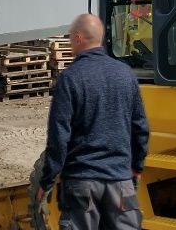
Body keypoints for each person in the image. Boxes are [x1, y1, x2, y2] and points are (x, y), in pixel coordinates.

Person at [38, 13, 149, 230]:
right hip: (120, 184)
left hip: (81, 185)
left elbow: (59, 138)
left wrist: (47, 182)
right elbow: (141, 128)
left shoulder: (71, 78)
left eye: (71, 38)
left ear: (79, 38)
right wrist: (136, 167)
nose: (70, 44)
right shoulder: (126, 75)